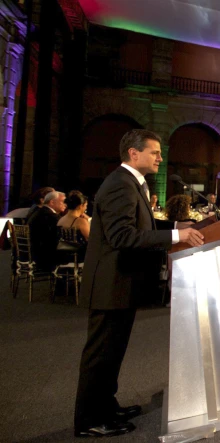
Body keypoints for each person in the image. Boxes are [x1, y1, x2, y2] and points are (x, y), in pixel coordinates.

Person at [75, 130, 204, 438]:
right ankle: (89, 419)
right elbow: (123, 236)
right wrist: (177, 237)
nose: (160, 157)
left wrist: (175, 224)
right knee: (100, 355)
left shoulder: (131, 182)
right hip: (110, 284)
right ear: (134, 153)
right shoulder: (121, 184)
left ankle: (107, 405)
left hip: (121, 283)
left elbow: (141, 223)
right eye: (154, 152)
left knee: (113, 352)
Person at [27, 190, 67, 271]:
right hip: (45, 256)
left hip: (34, 253)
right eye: (63, 202)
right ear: (52, 202)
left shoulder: (39, 212)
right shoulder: (50, 216)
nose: (66, 205)